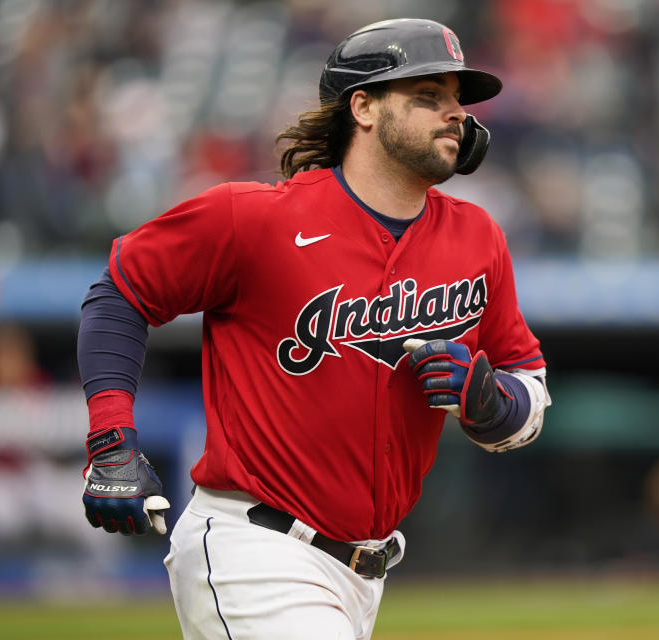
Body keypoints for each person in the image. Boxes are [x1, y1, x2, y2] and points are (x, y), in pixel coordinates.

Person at [77, 18, 550, 640]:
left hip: (366, 572)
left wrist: (492, 401)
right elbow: (120, 290)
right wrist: (111, 440)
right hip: (256, 548)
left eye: (458, 100)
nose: (454, 114)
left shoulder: (476, 236)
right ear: (364, 107)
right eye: (427, 96)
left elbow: (529, 389)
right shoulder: (254, 219)